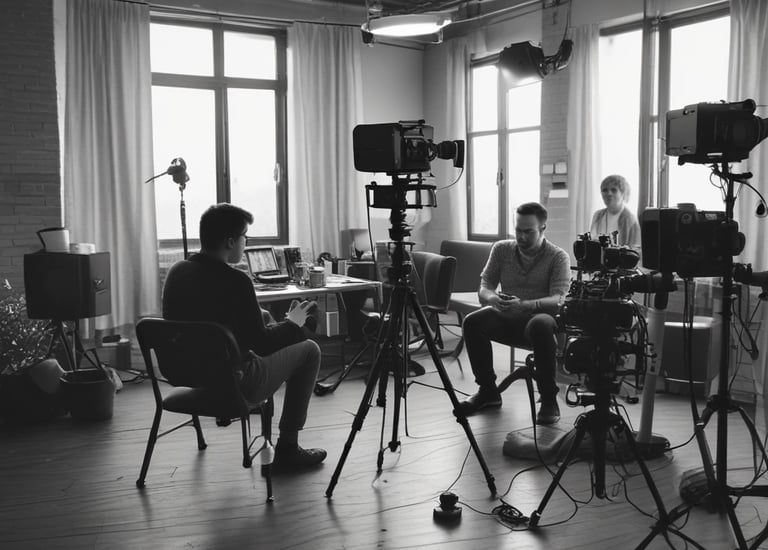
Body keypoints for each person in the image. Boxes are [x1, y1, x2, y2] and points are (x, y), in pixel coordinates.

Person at [162, 203, 326, 470]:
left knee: (262, 317)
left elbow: (214, 319)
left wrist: (267, 321)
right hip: (236, 381)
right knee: (310, 350)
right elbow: (261, 345)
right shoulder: (236, 281)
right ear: (230, 241)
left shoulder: (177, 271)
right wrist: (294, 325)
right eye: (244, 237)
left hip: (187, 373)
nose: (245, 242)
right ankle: (288, 447)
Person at [459, 202, 571, 425]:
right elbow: (485, 286)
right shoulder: (501, 249)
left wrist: (528, 305)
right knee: (472, 322)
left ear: (542, 229)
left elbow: (558, 299)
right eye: (517, 230)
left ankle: (548, 398)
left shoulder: (558, 257)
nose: (521, 236)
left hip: (540, 318)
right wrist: (493, 298)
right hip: (507, 315)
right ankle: (488, 391)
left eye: (528, 231)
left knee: (540, 325)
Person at [589, 174, 641, 247]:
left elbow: (636, 249)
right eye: (605, 190)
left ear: (623, 193)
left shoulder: (630, 219)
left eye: (614, 190)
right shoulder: (598, 215)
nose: (609, 194)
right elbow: (592, 242)